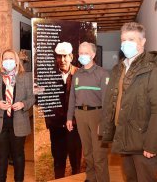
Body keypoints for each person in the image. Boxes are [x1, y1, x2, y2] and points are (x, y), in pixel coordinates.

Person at [101, 22, 157, 182]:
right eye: (123, 40)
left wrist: (152, 144)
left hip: (144, 143)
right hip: (125, 138)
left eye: (131, 39)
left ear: (143, 42)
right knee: (130, 178)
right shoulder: (118, 69)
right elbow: (113, 101)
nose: (126, 43)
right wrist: (108, 127)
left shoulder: (156, 70)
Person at [0, 49, 35, 182]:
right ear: (1, 61)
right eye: (5, 59)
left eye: (11, 58)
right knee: (1, 156)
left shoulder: (25, 77)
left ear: (16, 61)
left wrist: (23, 104)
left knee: (18, 155)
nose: (8, 61)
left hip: (19, 123)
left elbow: (32, 98)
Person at [66, 42, 110, 182]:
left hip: (97, 115)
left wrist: (104, 122)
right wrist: (69, 117)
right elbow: (72, 96)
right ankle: (91, 177)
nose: (82, 56)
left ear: (93, 54)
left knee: (99, 154)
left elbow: (107, 101)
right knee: (87, 151)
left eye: (86, 53)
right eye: (80, 53)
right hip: (80, 115)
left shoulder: (102, 73)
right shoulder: (77, 73)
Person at [45, 42, 82, 179]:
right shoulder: (49, 76)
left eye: (65, 56)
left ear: (71, 56)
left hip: (75, 127)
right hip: (57, 127)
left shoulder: (80, 74)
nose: (62, 60)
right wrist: (50, 121)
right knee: (58, 163)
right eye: (59, 56)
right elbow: (45, 101)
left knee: (76, 163)